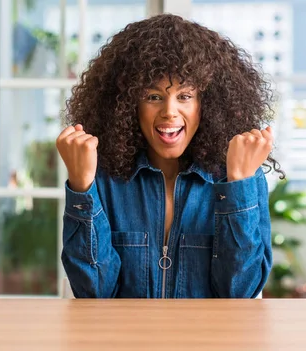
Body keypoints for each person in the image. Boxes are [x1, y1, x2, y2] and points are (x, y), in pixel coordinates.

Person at [56, 14, 283, 298]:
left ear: (207, 103)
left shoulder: (241, 175)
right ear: (128, 105)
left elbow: (240, 293)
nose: (169, 112)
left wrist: (238, 185)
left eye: (185, 96)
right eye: (153, 96)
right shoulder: (104, 177)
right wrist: (81, 187)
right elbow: (93, 293)